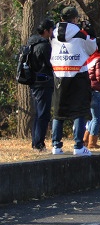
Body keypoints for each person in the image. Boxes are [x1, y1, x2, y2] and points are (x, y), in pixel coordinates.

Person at [49, 6, 98, 156]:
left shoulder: (53, 34)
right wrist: (91, 32)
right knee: (80, 111)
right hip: (78, 75)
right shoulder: (80, 34)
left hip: (58, 74)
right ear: (75, 18)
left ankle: (56, 145)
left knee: (58, 111)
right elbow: (92, 48)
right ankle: (78, 145)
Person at [28, 18, 54, 152]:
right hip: (44, 82)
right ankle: (39, 143)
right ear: (46, 31)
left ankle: (35, 141)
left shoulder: (32, 43)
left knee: (39, 113)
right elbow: (50, 63)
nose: (52, 32)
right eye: (51, 30)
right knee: (43, 114)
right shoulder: (44, 45)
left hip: (34, 82)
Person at [85, 38, 100, 149]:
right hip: (96, 90)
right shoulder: (99, 59)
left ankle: (85, 139)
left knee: (93, 117)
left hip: (89, 89)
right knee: (98, 118)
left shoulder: (90, 58)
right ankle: (92, 142)